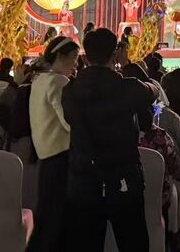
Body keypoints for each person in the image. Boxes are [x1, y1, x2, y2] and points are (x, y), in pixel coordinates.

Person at [62, 29, 155, 251]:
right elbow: (153, 91)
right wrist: (126, 65)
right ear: (115, 54)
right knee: (133, 244)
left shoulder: (70, 91)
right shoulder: (128, 88)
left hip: (84, 181)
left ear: (86, 56)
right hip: (123, 180)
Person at [29, 36, 80, 252]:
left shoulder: (39, 80)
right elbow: (69, 121)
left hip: (46, 157)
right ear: (60, 56)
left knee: (46, 217)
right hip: (62, 157)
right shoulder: (58, 82)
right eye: (74, 58)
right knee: (58, 221)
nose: (76, 64)